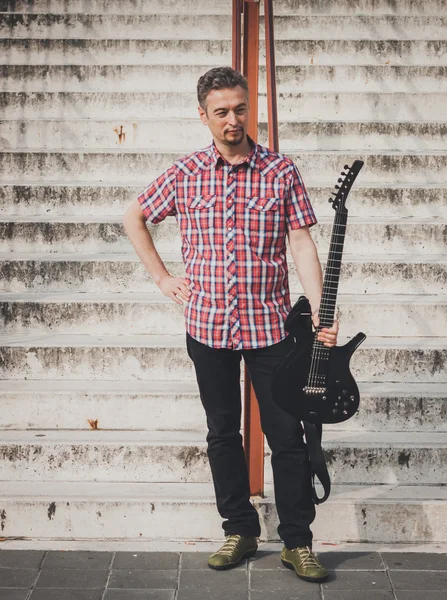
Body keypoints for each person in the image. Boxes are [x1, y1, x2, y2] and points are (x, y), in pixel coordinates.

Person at [123, 66, 339, 583]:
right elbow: (133, 216)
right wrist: (162, 279)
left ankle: (297, 542)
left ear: (250, 109)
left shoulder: (280, 171)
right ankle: (239, 529)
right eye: (220, 111)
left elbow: (302, 243)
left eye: (240, 108)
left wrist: (322, 310)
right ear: (203, 116)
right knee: (222, 431)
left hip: (271, 328)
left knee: (287, 434)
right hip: (208, 326)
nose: (232, 119)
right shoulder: (185, 173)